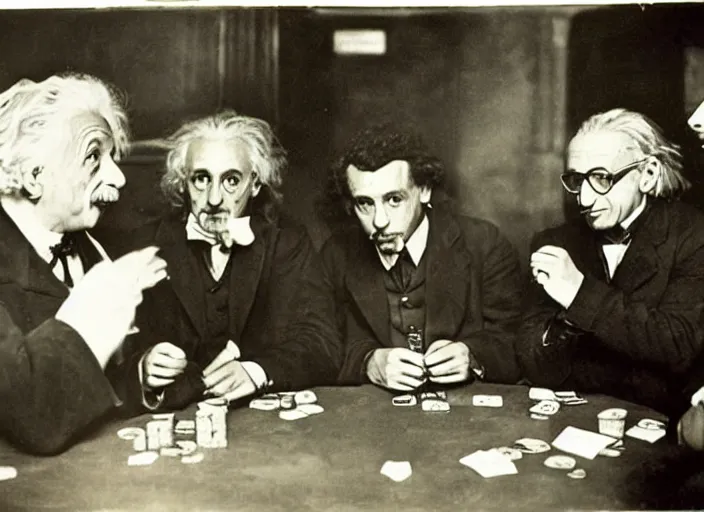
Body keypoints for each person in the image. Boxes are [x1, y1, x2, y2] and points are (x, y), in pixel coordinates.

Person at [115, 110, 340, 412]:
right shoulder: (145, 246)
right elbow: (113, 357)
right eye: (201, 179)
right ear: (183, 183)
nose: (214, 199)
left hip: (264, 428)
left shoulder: (287, 242)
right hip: (176, 421)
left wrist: (257, 371)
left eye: (231, 180)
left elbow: (322, 343)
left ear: (256, 184)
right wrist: (143, 368)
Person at [0, 73, 167, 455]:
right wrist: (98, 302)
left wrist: (141, 375)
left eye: (112, 157)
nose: (118, 177)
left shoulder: (89, 249)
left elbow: (96, 384)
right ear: (33, 176)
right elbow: (31, 414)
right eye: (94, 156)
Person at [516, 108, 704, 414]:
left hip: (657, 427)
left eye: (602, 178)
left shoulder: (693, 236)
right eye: (577, 180)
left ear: (649, 174)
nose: (585, 199)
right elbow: (531, 357)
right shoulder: (555, 242)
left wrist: (578, 293)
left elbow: (678, 347)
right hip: (570, 418)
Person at [319, 124, 523, 391]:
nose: (379, 221)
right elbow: (318, 343)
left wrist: (473, 355)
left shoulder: (484, 244)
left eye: (394, 199)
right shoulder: (336, 255)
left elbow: (517, 341)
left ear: (424, 190)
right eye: (365, 203)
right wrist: (368, 362)